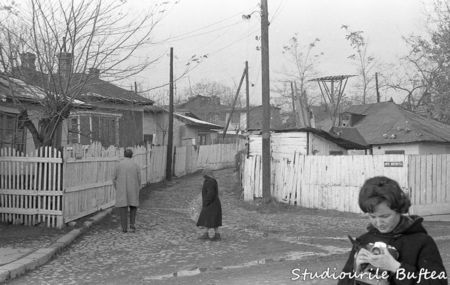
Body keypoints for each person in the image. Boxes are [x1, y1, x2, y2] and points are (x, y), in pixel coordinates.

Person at [338, 176, 447, 285]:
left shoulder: (421, 242)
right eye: (372, 216)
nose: (379, 223)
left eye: (385, 216)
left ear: (399, 210)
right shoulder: (363, 241)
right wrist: (356, 269)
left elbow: (439, 282)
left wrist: (396, 267)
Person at [113, 149, 141, 233]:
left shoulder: (118, 165)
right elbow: (139, 179)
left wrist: (117, 188)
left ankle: (124, 228)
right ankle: (132, 224)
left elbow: (114, 178)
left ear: (124, 155)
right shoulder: (135, 165)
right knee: (133, 206)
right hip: (133, 189)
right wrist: (137, 187)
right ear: (131, 155)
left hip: (122, 189)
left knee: (122, 208)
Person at [196, 168, 222, 241]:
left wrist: (206, 202)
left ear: (206, 174)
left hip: (211, 204)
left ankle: (214, 235)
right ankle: (210, 234)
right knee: (210, 219)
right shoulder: (212, 181)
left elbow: (211, 193)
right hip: (214, 203)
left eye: (203, 174)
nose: (202, 175)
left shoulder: (210, 182)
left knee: (209, 219)